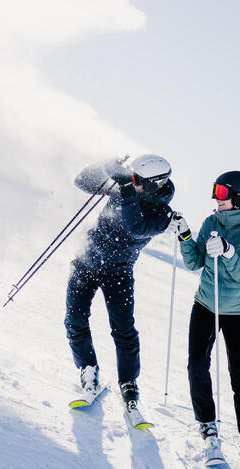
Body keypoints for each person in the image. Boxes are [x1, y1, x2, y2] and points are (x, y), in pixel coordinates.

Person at [169, 171, 240, 462]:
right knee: (197, 366)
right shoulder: (212, 222)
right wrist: (185, 235)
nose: (216, 198)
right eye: (215, 191)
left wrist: (228, 252)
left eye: (222, 193)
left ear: (239, 198)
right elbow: (194, 262)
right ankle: (207, 425)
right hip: (206, 305)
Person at [64, 154, 175, 415]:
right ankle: (88, 371)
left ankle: (128, 382)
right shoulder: (123, 187)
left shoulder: (162, 213)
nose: (130, 180)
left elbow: (135, 227)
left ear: (152, 184)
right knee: (74, 320)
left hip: (118, 273)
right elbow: (82, 181)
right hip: (86, 261)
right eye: (130, 176)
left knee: (123, 330)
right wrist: (106, 164)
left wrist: (125, 187)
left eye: (136, 179)